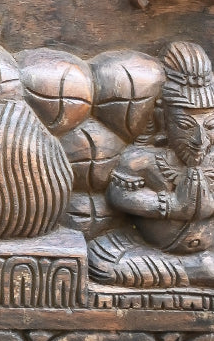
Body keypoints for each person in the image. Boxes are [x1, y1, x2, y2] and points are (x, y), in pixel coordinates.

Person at [89, 41, 214, 289]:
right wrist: (171, 205)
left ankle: (193, 271)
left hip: (204, 250)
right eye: (186, 126)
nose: (200, 140)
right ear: (162, 119)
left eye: (210, 126)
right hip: (148, 248)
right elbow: (119, 195)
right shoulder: (142, 160)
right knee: (101, 262)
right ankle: (198, 272)